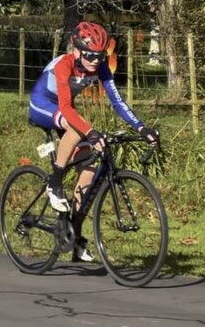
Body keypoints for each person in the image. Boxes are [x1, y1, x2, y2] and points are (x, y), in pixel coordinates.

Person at [29, 21, 159, 261]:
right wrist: (90, 132)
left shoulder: (99, 67)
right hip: (44, 105)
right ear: (76, 50)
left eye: (100, 56)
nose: (95, 61)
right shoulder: (65, 64)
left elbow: (118, 102)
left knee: (88, 170)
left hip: (65, 111)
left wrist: (141, 128)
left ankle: (73, 236)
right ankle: (54, 182)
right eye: (90, 55)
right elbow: (66, 108)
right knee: (78, 130)